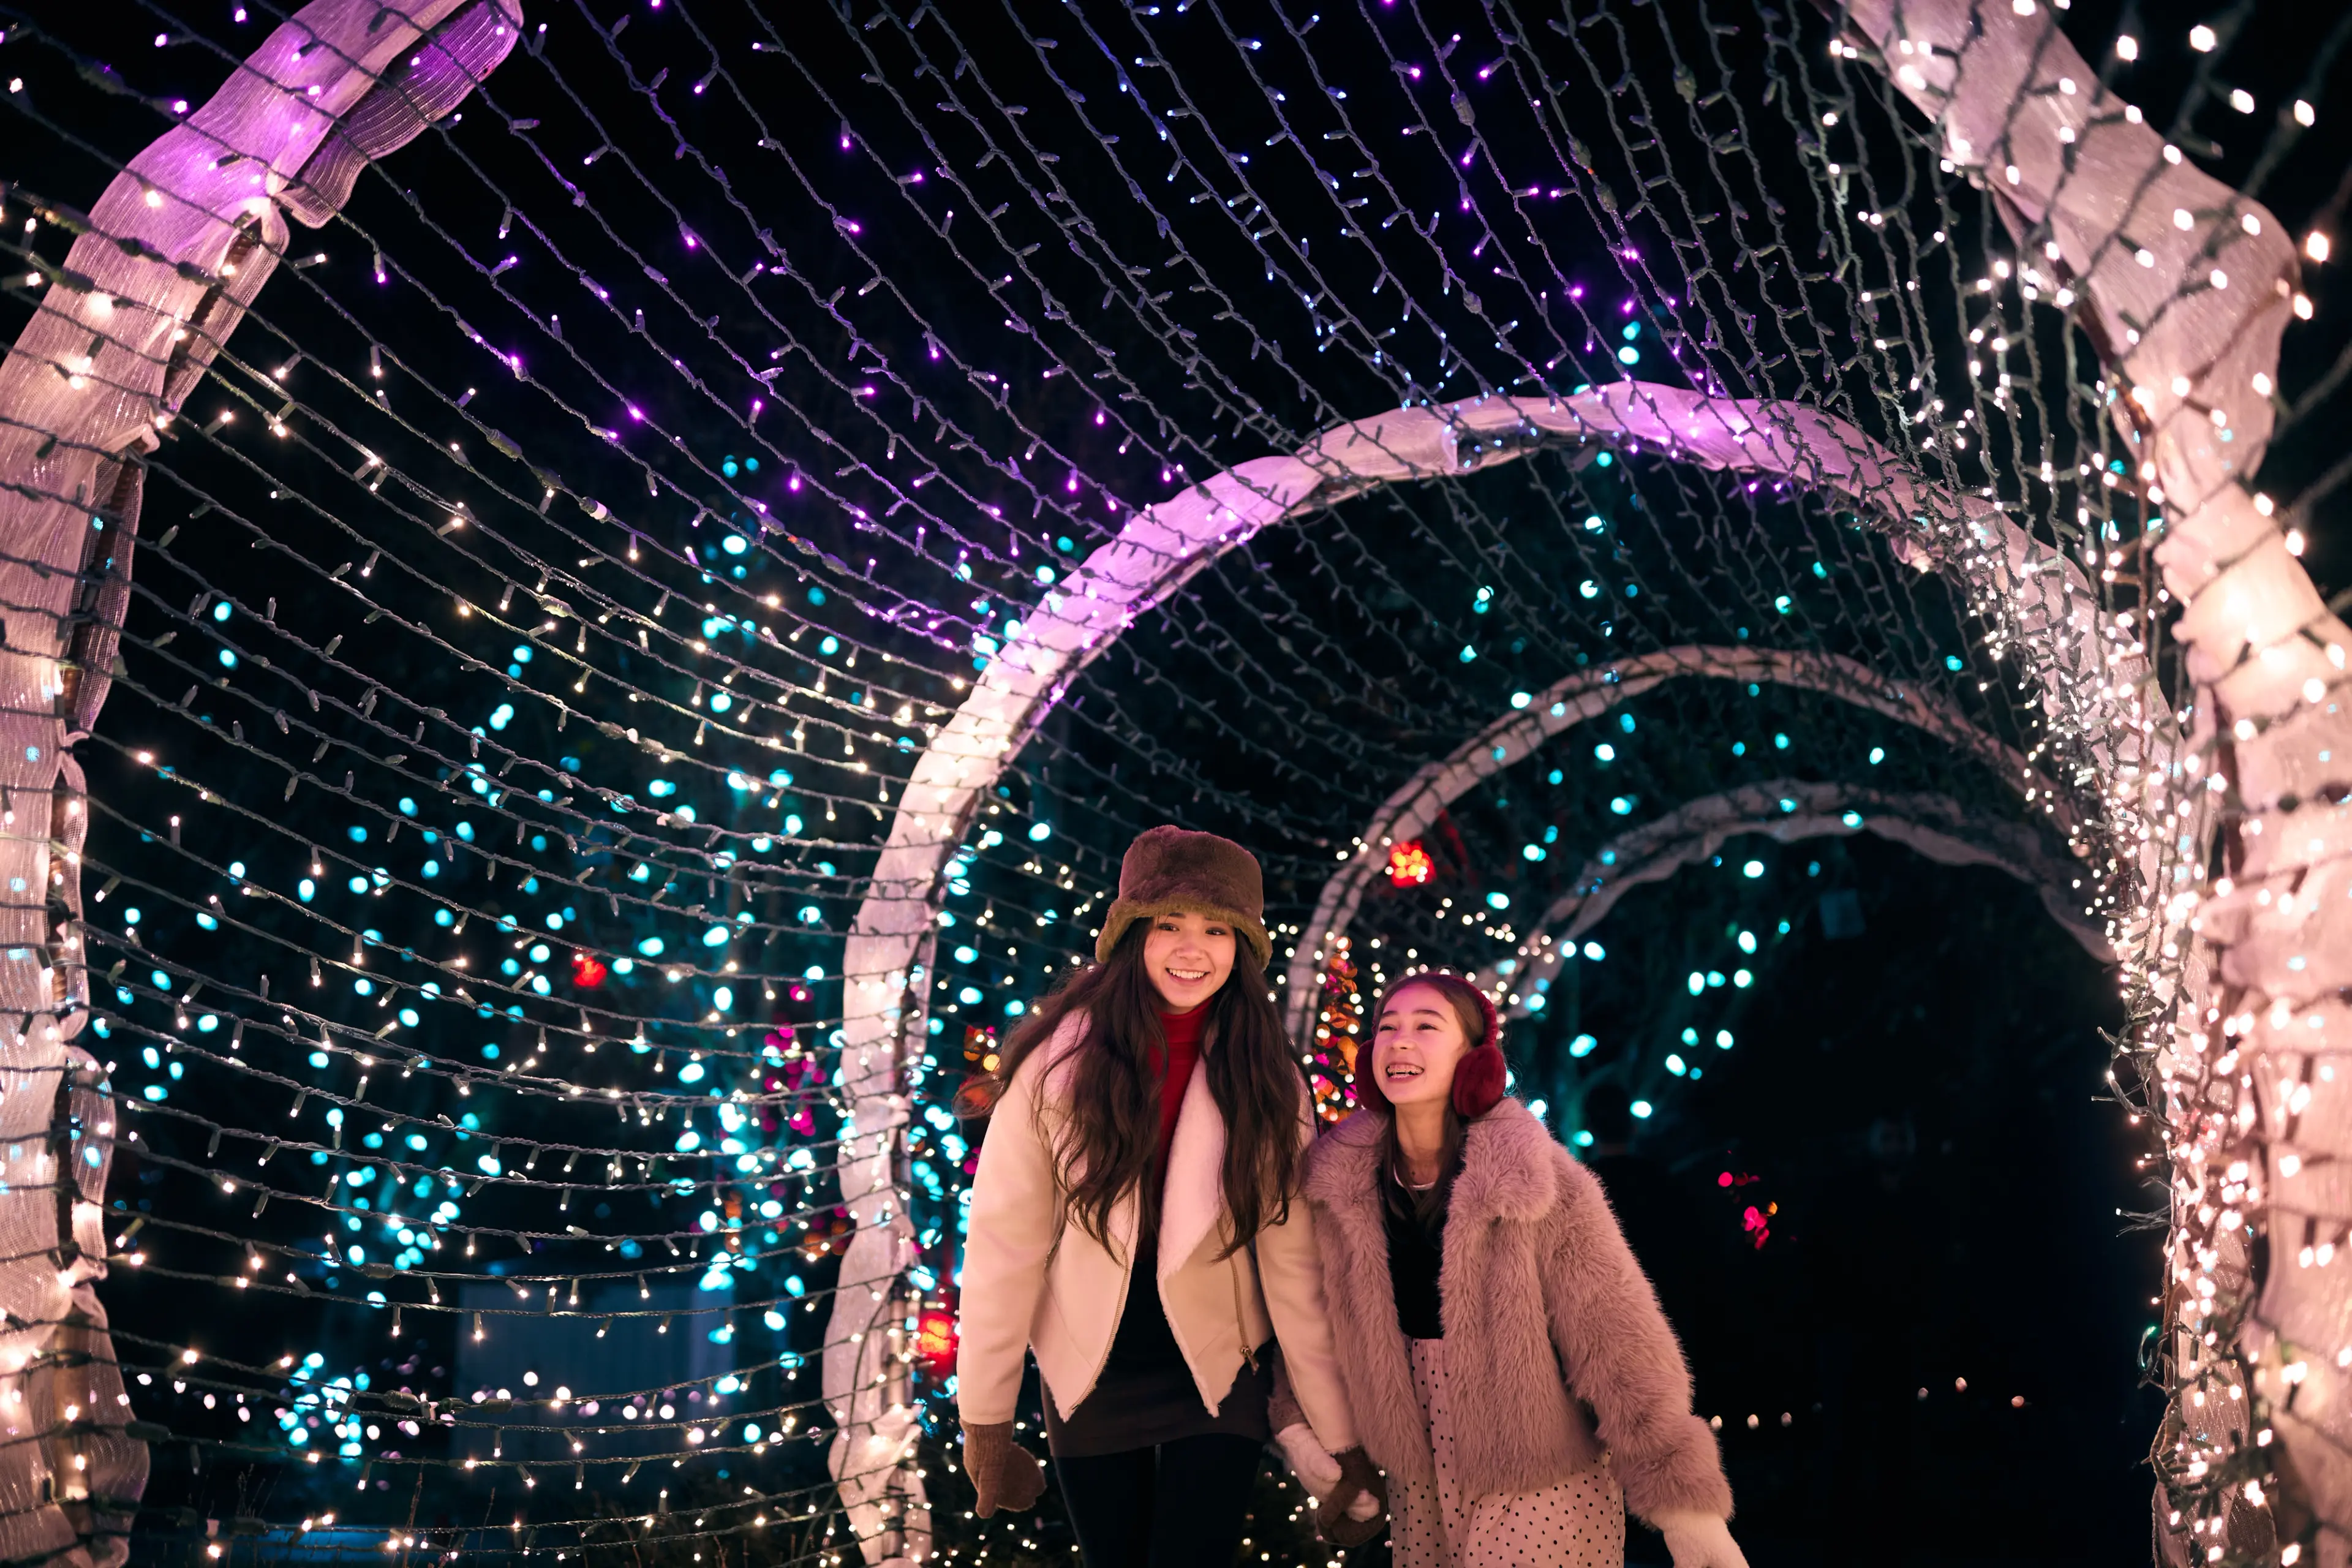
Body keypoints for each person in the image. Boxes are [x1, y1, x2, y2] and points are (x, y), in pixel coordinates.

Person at [955, 826, 1382, 1566]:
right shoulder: (1056, 1069)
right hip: (1090, 1369)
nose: (1193, 949)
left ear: (1242, 947)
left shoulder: (1267, 1078)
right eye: (1169, 926)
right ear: (1130, 937)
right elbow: (1004, 1246)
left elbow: (1294, 1269)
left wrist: (1340, 1439)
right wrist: (986, 1422)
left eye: (1216, 929)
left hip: (1218, 1374)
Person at [1301, 971, 1749, 1568]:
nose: (1400, 1041)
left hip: (1541, 1470)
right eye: (1388, 1027)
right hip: (1422, 1479)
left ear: (1473, 1059)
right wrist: (1318, 1445)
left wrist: (1685, 1508)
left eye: (1426, 1026)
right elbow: (1308, 1323)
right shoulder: (1339, 1187)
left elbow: (1617, 1337)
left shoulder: (1538, 1180)